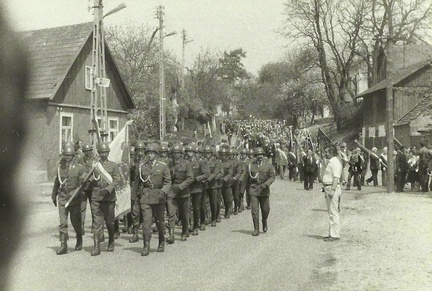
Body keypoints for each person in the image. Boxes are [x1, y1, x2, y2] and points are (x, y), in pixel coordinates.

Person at [133, 143, 171, 256]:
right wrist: (133, 197)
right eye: (148, 153)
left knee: (159, 222)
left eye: (152, 153)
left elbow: (168, 182)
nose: (150, 155)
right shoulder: (142, 166)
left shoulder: (162, 166)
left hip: (159, 197)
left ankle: (161, 241)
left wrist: (163, 192)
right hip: (145, 198)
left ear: (156, 154)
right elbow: (137, 183)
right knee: (146, 223)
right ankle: (146, 246)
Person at [51, 145, 85, 255]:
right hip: (63, 196)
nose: (67, 157)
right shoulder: (60, 167)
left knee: (75, 221)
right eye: (65, 155)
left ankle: (79, 238)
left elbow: (81, 184)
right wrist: (54, 194)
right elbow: (58, 181)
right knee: (63, 222)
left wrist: (76, 192)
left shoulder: (79, 168)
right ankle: (63, 245)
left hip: (74, 198)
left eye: (69, 155)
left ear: (73, 156)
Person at [89, 142, 120, 256]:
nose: (103, 154)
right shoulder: (95, 165)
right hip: (96, 197)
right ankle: (96, 247)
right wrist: (86, 178)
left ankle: (111, 240)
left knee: (109, 222)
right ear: (98, 153)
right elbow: (90, 177)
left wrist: (108, 189)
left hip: (108, 197)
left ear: (108, 152)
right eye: (101, 152)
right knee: (97, 223)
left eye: (105, 152)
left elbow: (117, 180)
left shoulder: (113, 165)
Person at [167, 144, 194, 242]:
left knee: (184, 214)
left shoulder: (186, 164)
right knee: (171, 213)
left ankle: (184, 231)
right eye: (174, 153)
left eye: (177, 153)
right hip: (172, 191)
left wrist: (181, 186)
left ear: (181, 154)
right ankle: (171, 235)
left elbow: (190, 178)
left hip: (183, 192)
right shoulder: (169, 164)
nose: (175, 155)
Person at [248, 147, 276, 236]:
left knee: (265, 209)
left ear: (263, 155)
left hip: (264, 190)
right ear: (255, 156)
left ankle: (264, 220)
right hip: (254, 189)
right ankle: (256, 228)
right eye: (257, 155)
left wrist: (266, 184)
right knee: (254, 210)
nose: (259, 156)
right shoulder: (251, 165)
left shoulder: (268, 166)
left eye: (261, 155)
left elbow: (272, 177)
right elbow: (247, 177)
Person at [321, 144, 343, 242]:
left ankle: (335, 235)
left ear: (331, 153)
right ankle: (331, 233)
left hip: (332, 188)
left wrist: (332, 190)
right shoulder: (331, 162)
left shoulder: (335, 162)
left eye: (326, 152)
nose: (324, 153)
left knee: (333, 212)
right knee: (331, 212)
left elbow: (336, 177)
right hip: (328, 187)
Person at [77, 143, 99, 235]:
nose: (88, 153)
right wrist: (80, 179)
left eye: (89, 151)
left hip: (92, 186)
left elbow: (97, 173)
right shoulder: (80, 160)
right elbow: (78, 172)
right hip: (83, 188)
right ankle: (81, 227)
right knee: (82, 208)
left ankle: (94, 227)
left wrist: (90, 180)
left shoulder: (96, 160)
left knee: (94, 207)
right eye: (86, 151)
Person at [128, 140, 146, 243]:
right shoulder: (132, 162)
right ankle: (135, 234)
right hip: (135, 189)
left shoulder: (147, 161)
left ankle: (145, 232)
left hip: (145, 190)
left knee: (146, 212)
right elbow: (129, 176)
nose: (140, 153)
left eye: (141, 151)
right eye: (138, 151)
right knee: (135, 212)